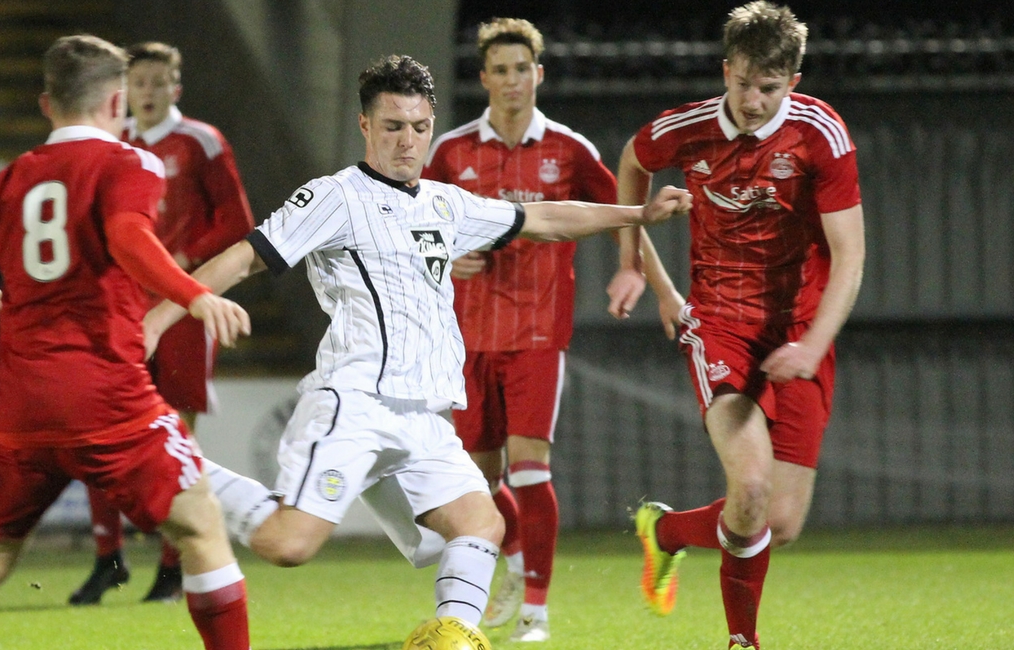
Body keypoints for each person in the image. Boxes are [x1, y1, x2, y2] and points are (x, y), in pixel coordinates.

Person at [140, 54, 691, 629]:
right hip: (354, 402)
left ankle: (452, 640)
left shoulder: (444, 204)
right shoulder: (335, 197)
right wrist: (160, 318)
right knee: (287, 545)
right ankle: (174, 463)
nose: (409, 142)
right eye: (393, 127)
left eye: (420, 127)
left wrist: (638, 213)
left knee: (482, 524)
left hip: (424, 415)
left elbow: (546, 218)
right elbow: (245, 256)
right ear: (365, 127)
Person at [0, 35, 253, 650]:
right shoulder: (131, 163)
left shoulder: (14, 177)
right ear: (117, 103)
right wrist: (195, 295)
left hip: (22, 406)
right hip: (108, 394)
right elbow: (129, 238)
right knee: (203, 528)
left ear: (47, 104)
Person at [608, 3, 865, 649]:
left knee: (777, 520)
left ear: (794, 82)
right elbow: (632, 162)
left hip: (800, 329)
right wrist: (634, 264)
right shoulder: (687, 129)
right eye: (743, 81)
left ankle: (663, 533)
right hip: (720, 324)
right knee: (748, 486)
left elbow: (851, 255)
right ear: (726, 69)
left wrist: (813, 343)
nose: (752, 100)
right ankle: (742, 641)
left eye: (769, 87)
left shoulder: (821, 136)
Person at [422, 18, 620, 642]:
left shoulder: (568, 149)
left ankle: (536, 611)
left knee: (530, 470)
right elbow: (415, 228)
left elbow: (619, 209)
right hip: (466, 334)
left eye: (521, 69)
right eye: (499, 70)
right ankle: (510, 564)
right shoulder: (452, 151)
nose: (511, 80)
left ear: (539, 74)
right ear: (484, 78)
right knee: (475, 484)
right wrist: (447, 257)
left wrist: (636, 273)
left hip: (537, 332)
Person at [70, 40, 256, 607]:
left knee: (172, 438)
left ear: (176, 88)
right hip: (121, 309)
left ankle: (175, 569)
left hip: (180, 310)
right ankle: (109, 559)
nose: (147, 93)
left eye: (158, 82)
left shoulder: (200, 140)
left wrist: (186, 258)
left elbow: (239, 222)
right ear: (124, 91)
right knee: (97, 430)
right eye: (138, 83)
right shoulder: (112, 144)